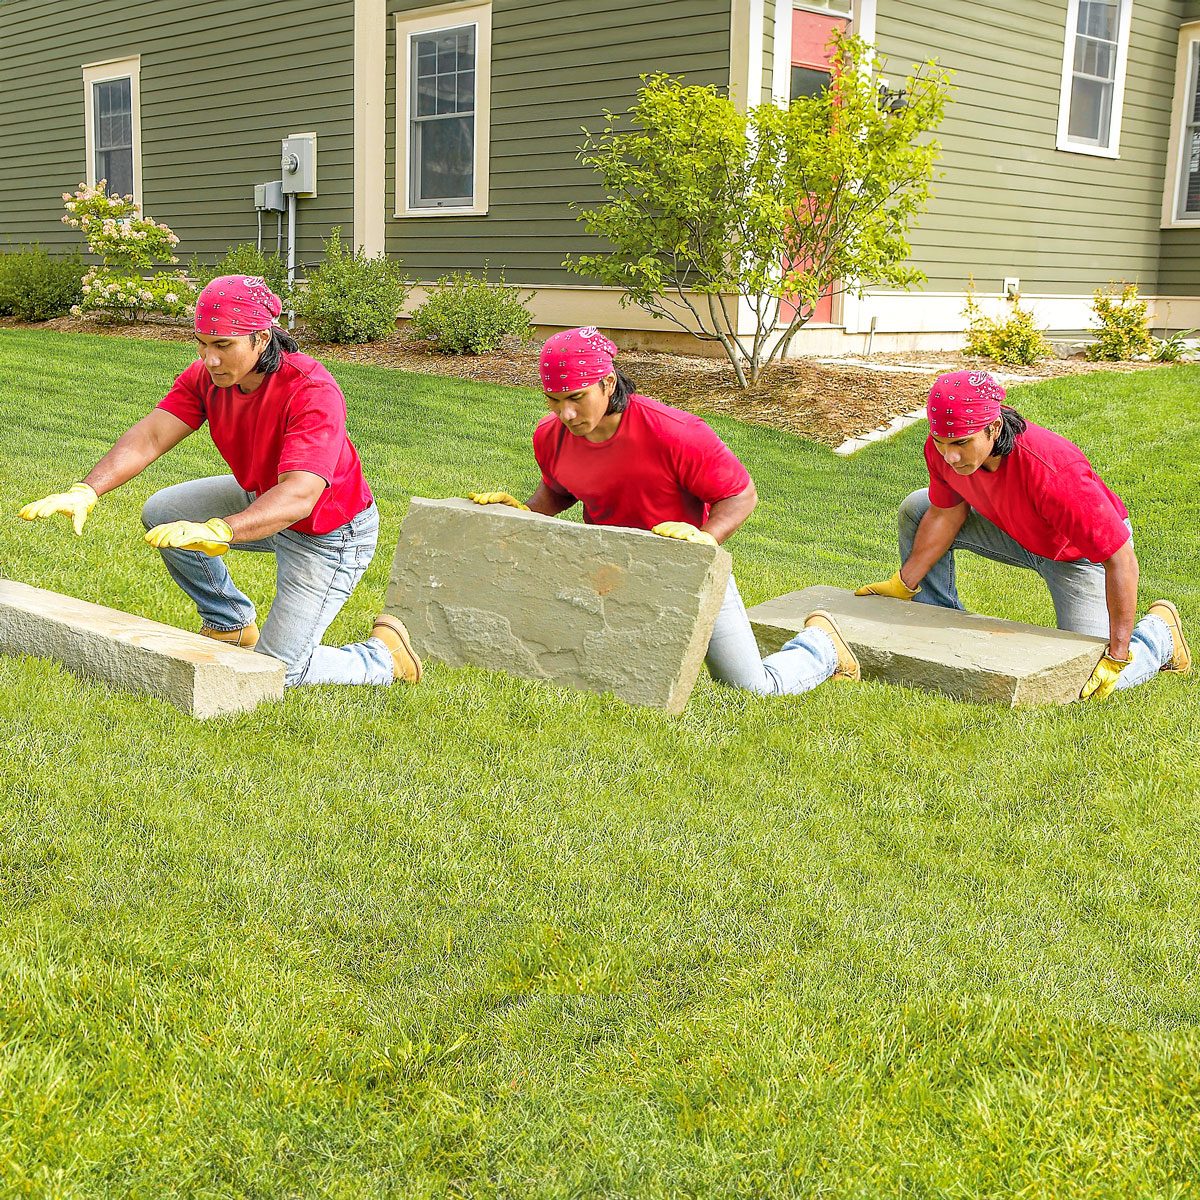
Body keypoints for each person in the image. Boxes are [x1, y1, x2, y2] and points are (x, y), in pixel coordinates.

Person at [17, 274, 421, 689]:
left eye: (223, 345)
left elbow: (300, 494)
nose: (209, 359)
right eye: (202, 343)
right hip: (262, 498)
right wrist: (87, 489)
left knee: (275, 674)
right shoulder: (207, 378)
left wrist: (221, 529)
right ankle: (230, 623)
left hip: (327, 533)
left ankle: (383, 657)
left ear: (261, 339)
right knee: (164, 512)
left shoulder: (311, 390)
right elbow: (151, 436)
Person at [468, 326, 860, 696]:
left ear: (608, 383)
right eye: (553, 400)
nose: (565, 414)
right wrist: (523, 512)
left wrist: (705, 539)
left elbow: (740, 495)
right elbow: (559, 489)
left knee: (750, 688)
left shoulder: (675, 432)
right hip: (611, 573)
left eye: (576, 397)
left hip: (687, 570)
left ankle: (821, 644)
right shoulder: (551, 435)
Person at [855, 369, 1190, 699]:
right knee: (919, 506)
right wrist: (905, 582)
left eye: (961, 442)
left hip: (1079, 556)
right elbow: (946, 512)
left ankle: (1159, 635)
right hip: (1017, 531)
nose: (950, 456)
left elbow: (1121, 560)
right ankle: (935, 619)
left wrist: (1117, 655)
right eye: (941, 442)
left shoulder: (1053, 472)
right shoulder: (943, 449)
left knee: (1083, 679)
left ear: (994, 427)